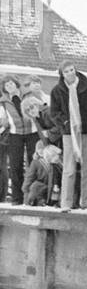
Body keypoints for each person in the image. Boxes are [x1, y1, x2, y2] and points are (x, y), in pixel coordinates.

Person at [50, 62, 87, 211]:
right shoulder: (57, 90)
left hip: (86, 130)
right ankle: (66, 202)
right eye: (66, 71)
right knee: (69, 169)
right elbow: (54, 112)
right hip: (69, 132)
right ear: (62, 74)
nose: (70, 73)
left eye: (72, 70)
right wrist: (64, 123)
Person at [0, 76, 28, 205]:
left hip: (30, 132)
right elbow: (3, 121)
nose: (10, 86)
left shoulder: (26, 96)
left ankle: (30, 196)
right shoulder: (4, 102)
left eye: (11, 83)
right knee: (14, 165)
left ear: (16, 84)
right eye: (7, 85)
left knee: (32, 163)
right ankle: (17, 197)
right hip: (14, 134)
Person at [23, 139, 61, 206]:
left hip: (47, 188)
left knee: (37, 186)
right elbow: (30, 177)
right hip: (48, 189)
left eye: (41, 149)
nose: (40, 151)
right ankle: (41, 201)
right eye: (39, 149)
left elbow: (29, 179)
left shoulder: (51, 162)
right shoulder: (36, 162)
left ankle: (46, 201)